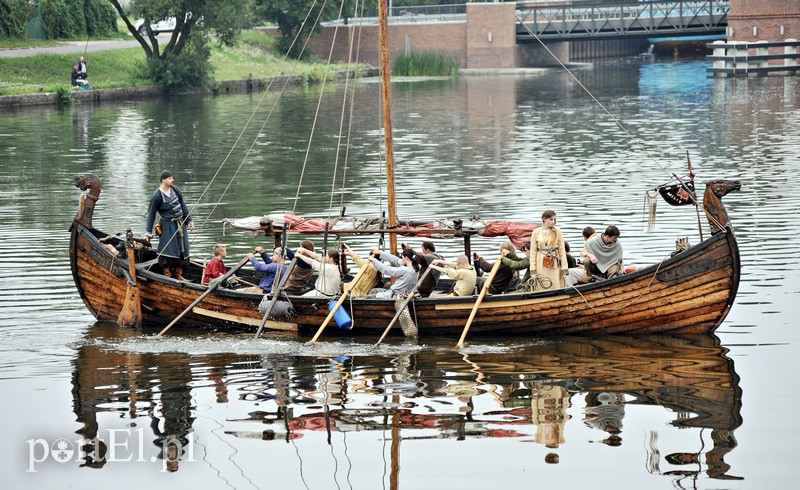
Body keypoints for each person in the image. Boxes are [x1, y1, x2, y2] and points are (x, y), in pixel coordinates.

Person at [145, 170, 194, 280]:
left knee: (182, 248)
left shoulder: (175, 189)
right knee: (167, 249)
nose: (172, 180)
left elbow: (182, 205)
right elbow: (151, 214)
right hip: (167, 226)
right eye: (170, 178)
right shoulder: (157, 196)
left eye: (172, 178)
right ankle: (167, 275)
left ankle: (178, 273)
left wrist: (189, 220)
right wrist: (148, 233)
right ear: (163, 180)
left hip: (180, 224)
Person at [530, 210, 568, 291]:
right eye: (551, 219)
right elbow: (533, 252)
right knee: (542, 283)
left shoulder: (558, 231)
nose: (553, 222)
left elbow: (562, 250)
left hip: (554, 260)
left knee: (555, 284)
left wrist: (564, 269)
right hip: (541, 261)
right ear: (544, 219)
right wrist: (532, 270)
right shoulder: (536, 232)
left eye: (554, 219)